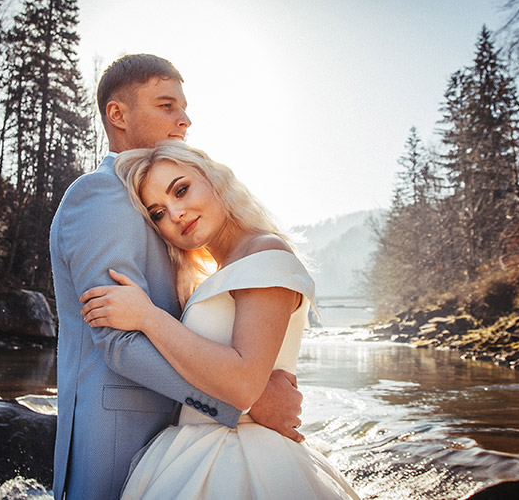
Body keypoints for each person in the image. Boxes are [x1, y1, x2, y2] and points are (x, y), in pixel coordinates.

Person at [49, 54, 304, 500]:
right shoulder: (102, 193)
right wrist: (247, 401)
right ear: (118, 114)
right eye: (167, 105)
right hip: (119, 434)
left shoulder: (150, 200)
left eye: (183, 108)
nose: (184, 120)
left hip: (182, 441)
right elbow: (116, 338)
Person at [80, 143, 361, 499]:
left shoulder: (265, 252)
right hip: (191, 452)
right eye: (158, 213)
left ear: (214, 180)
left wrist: (147, 317)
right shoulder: (220, 272)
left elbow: (244, 384)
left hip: (245, 460)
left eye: (181, 190)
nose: (176, 214)